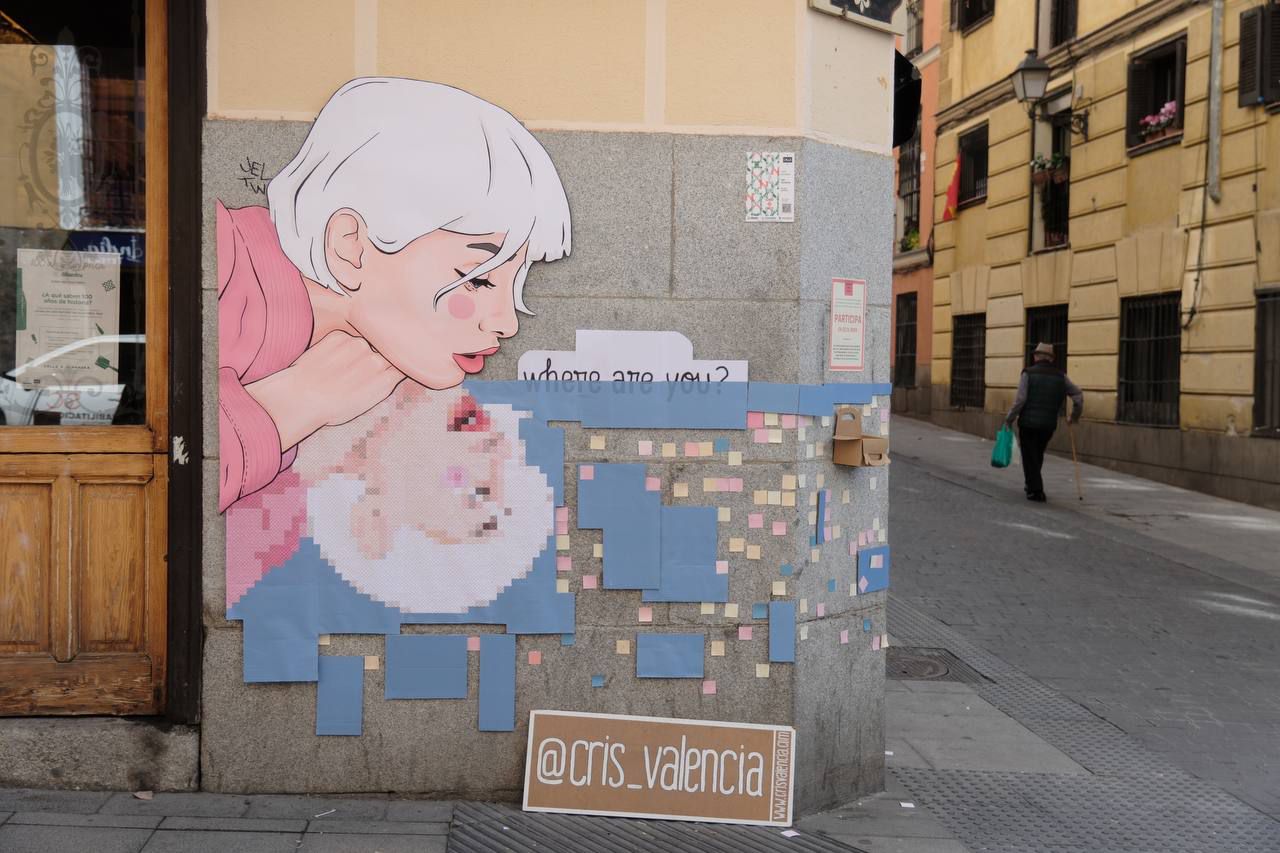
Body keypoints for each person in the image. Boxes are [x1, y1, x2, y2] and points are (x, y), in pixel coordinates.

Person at [1004, 342, 1083, 502]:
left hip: (1028, 423)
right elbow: (1078, 396)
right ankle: (1031, 484)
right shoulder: (1061, 376)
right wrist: (1074, 417)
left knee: (1029, 455)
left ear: (1036, 357)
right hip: (1048, 425)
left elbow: (1020, 400)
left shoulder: (1028, 374)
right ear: (1051, 359)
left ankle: (1036, 490)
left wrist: (1009, 418)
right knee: (1037, 453)